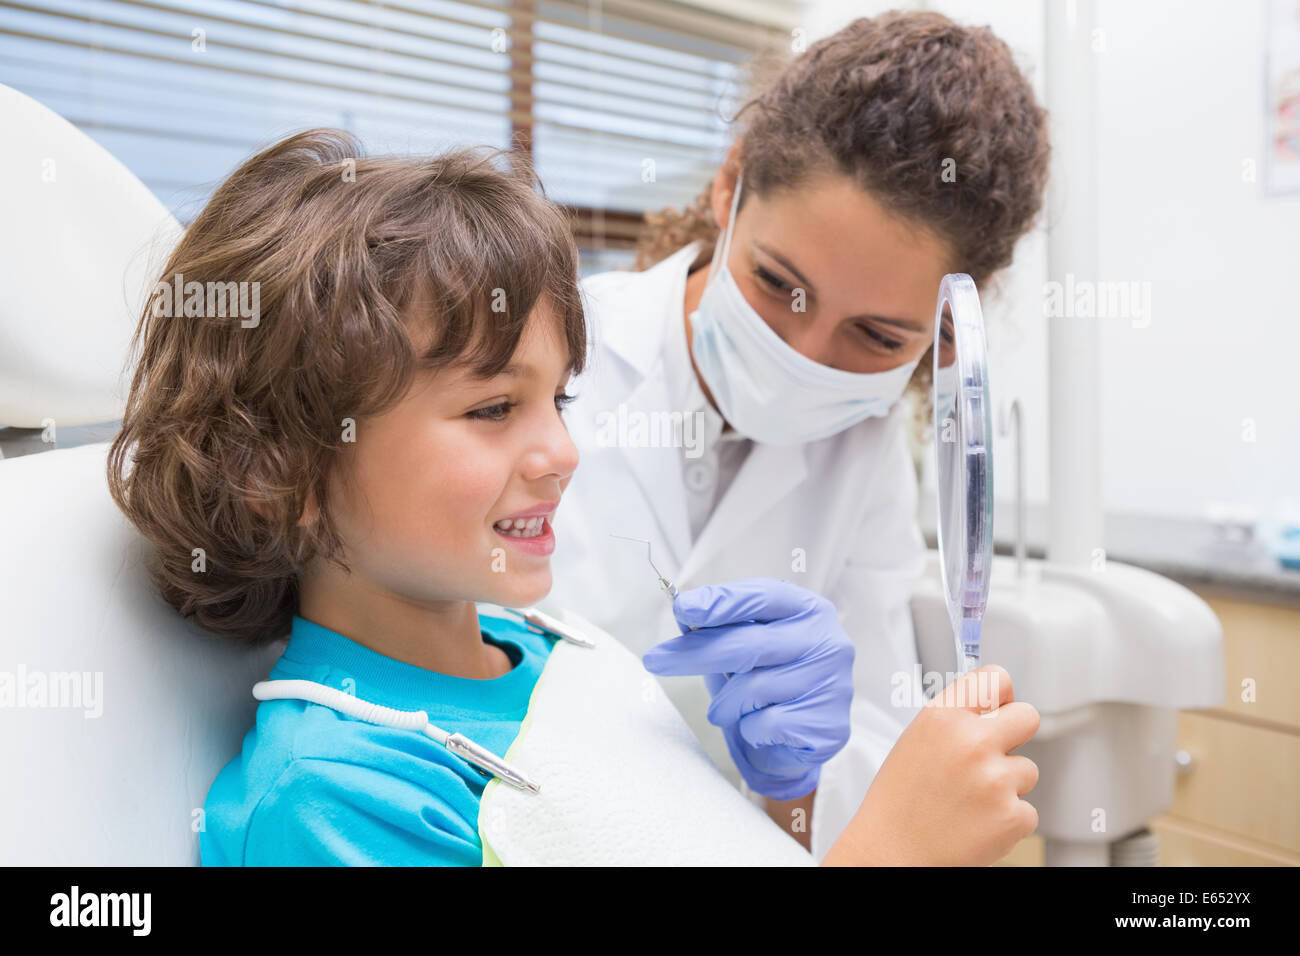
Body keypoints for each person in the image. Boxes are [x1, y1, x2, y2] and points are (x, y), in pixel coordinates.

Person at [106, 127, 1039, 866]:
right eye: (493, 407)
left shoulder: (562, 651)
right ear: (283, 476)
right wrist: (892, 852)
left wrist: (791, 792)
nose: (562, 449)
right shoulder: (341, 797)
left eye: (561, 399)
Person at [545, 10, 1051, 858]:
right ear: (729, 184)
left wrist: (799, 779)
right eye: (779, 285)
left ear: (944, 328)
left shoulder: (869, 451)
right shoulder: (557, 361)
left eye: (878, 337)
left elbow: (867, 788)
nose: (803, 355)